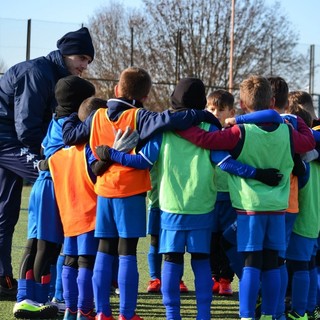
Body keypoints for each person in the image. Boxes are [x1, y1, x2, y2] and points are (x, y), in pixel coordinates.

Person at [94, 77, 285, 320]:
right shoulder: (210, 127)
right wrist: (258, 174)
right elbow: (225, 163)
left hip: (171, 206)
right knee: (201, 261)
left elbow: (141, 162)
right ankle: (203, 315)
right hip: (203, 205)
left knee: (172, 261)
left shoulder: (163, 129)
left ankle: (173, 315)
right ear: (201, 102)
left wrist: (111, 154)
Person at [175, 75, 315, 320]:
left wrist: (176, 124)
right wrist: (295, 119)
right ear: (272, 101)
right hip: (279, 207)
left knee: (251, 263)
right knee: (274, 263)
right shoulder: (287, 130)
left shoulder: (239, 132)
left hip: (249, 208)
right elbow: (309, 139)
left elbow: (205, 139)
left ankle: (247, 316)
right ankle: (273, 314)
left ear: (241, 102)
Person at [0, 26, 95, 299]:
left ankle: (5, 279)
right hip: (8, 140)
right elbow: (27, 128)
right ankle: (48, 285)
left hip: (10, 139)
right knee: (56, 179)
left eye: (88, 62)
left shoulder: (53, 75)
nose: (85, 66)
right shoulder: (38, 73)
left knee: (5, 212)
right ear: (68, 54)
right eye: (83, 59)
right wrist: (51, 155)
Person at [13, 76, 96, 320]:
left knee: (41, 243)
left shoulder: (58, 118)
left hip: (47, 185)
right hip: (51, 186)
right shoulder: (68, 124)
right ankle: (33, 299)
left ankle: (34, 298)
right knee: (44, 245)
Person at [39, 97, 121, 320]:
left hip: (69, 217)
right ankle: (85, 310)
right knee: (87, 264)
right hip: (90, 216)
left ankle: (70, 310)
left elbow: (45, 163)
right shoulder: (90, 150)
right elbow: (98, 168)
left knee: (70, 262)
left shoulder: (62, 154)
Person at [206, 89, 236, 296]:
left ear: (231, 111)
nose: (216, 113)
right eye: (212, 108)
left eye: (221, 110)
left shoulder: (236, 133)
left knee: (227, 240)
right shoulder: (203, 132)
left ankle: (225, 279)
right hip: (208, 197)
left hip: (230, 197)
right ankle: (212, 277)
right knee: (209, 240)